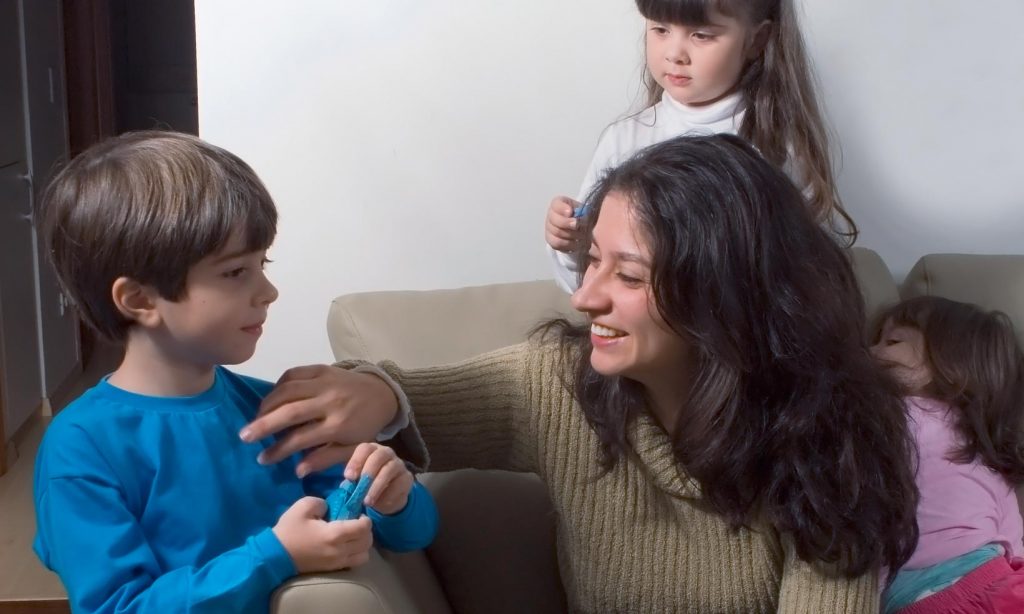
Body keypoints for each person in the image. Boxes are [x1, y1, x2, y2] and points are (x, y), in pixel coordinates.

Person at [275, 134, 916, 612]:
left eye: (629, 275)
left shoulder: (829, 438)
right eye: (592, 262)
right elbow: (407, 401)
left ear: (723, 296)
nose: (585, 298)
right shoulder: (559, 382)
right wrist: (372, 389)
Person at [33, 131, 438, 614]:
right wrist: (275, 556)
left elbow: (411, 536)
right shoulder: (82, 446)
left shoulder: (274, 413)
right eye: (234, 273)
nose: (268, 291)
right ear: (140, 300)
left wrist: (394, 499)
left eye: (261, 263)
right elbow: (117, 607)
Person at [544, 0, 855, 293]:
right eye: (661, 30)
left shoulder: (776, 147)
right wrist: (570, 243)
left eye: (701, 35)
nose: (675, 53)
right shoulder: (624, 140)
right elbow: (588, 284)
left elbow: (811, 278)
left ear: (757, 40)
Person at [871, 297, 1024, 613]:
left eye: (893, 340)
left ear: (952, 363)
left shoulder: (896, 413)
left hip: (943, 589)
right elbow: (1013, 541)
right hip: (990, 583)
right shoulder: (982, 446)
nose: (872, 351)